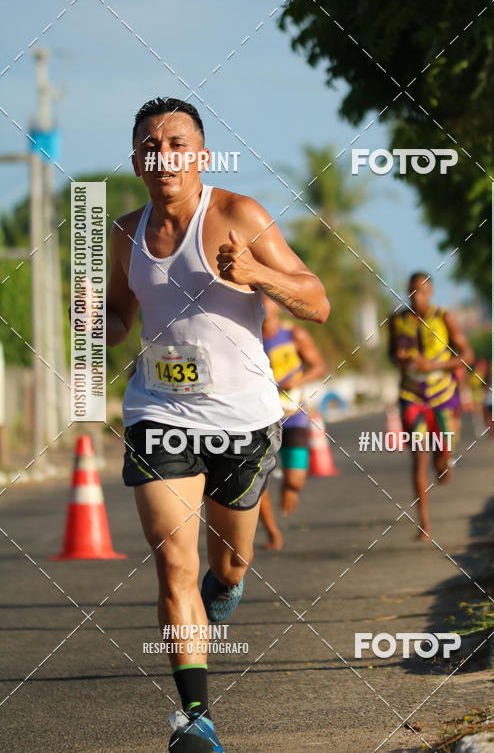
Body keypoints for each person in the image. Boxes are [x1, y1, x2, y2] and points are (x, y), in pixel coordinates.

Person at [105, 97, 330, 752]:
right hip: (159, 411)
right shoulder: (124, 233)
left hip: (244, 419)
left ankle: (226, 585)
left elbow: (315, 300)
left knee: (229, 564)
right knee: (172, 564)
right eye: (150, 144)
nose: (163, 155)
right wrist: (93, 321)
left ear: (200, 156)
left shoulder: (237, 215)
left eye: (177, 143)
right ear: (138, 159)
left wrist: (255, 272)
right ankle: (195, 719)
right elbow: (120, 320)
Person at [388, 272, 474, 540]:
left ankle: (444, 460)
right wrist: (400, 358)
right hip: (411, 396)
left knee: (441, 460)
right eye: (412, 292)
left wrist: (435, 365)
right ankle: (424, 521)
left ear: (431, 293)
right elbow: (391, 353)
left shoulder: (443, 317)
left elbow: (466, 354)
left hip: (442, 396)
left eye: (422, 292)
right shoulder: (397, 321)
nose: (417, 297)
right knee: (419, 458)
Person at [259, 295, 327, 549]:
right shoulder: (248, 338)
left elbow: (319, 366)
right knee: (258, 478)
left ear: (276, 306)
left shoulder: (294, 335)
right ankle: (272, 532)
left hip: (294, 416)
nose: (263, 307)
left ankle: (290, 486)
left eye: (267, 301)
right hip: (261, 419)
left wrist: (294, 383)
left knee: (296, 478)